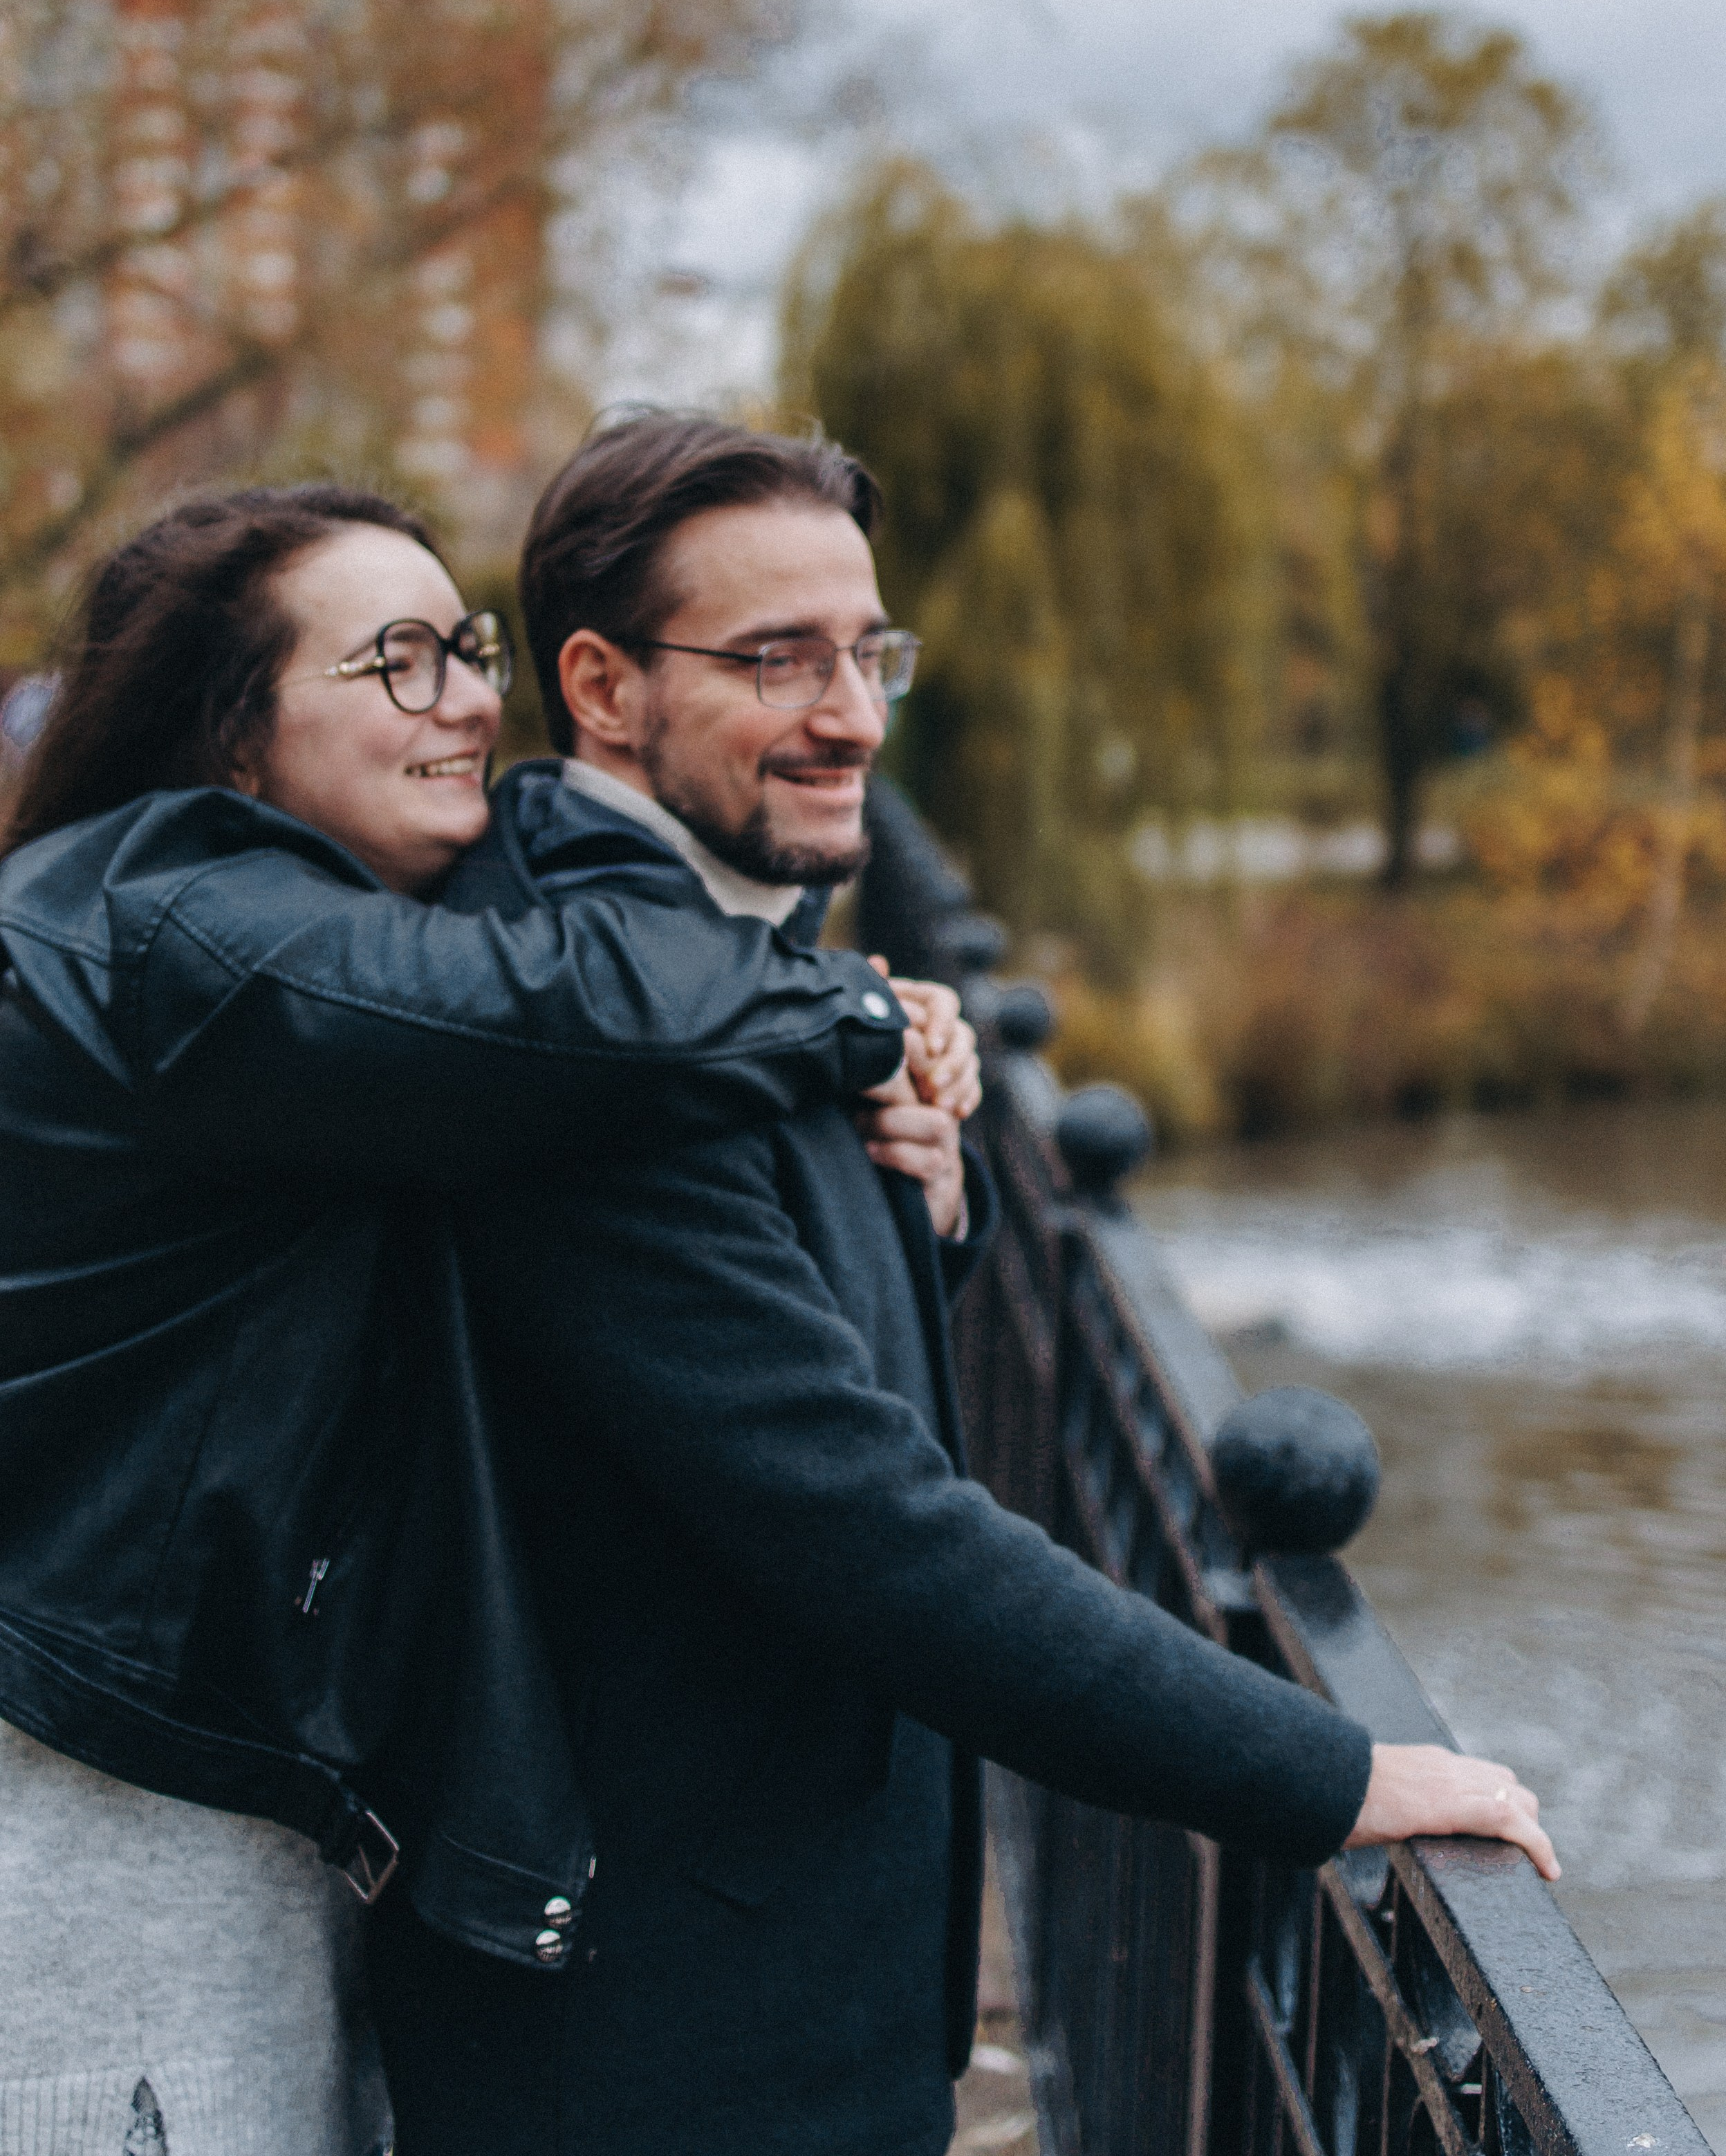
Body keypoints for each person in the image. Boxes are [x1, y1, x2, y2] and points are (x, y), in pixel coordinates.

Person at [369, 412, 1559, 2156]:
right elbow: (872, 1529)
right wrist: (1334, 1773)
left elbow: (723, 1366)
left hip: (763, 1967)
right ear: (604, 687)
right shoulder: (603, 1013)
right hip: (662, 2037)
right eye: (776, 659)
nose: (852, 716)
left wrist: (926, 1220)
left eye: (867, 651)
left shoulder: (709, 956)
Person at [0, 483, 949, 2156]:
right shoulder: (193, 926)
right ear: (230, 729)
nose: (466, 700)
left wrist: (919, 1165)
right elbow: (566, 1008)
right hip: (112, 1812)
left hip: (211, 1762)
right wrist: (854, 1006)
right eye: (401, 659)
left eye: (469, 648)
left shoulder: (249, 933)